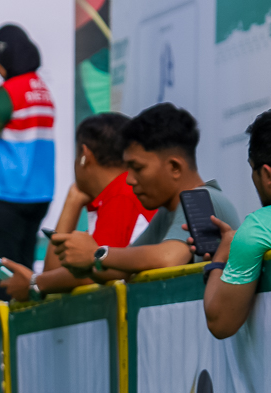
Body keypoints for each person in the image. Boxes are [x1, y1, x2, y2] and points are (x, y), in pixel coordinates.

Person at [50, 103, 239, 284]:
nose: (129, 180)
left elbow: (169, 258)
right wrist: (44, 280)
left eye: (137, 168)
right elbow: (120, 268)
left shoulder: (202, 200)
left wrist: (96, 254)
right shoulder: (167, 213)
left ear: (174, 167)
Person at [0, 111, 147, 300]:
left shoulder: (122, 193)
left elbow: (97, 271)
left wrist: (34, 282)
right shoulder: (116, 194)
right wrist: (73, 200)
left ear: (85, 156)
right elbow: (55, 271)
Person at [0, 24, 56, 289]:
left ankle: (5, 313)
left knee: (2, 273)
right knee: (24, 269)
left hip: (3, 192)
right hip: (38, 194)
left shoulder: (8, 92)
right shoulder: (42, 90)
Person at [205, 105, 271, 338]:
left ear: (268, 175)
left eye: (252, 168)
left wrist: (221, 256)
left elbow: (220, 323)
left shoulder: (259, 228)